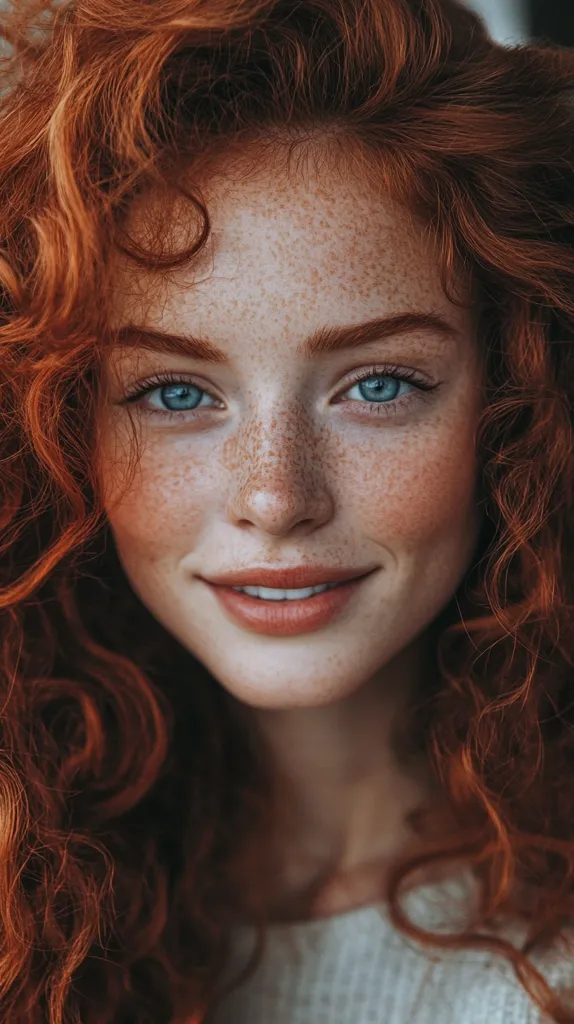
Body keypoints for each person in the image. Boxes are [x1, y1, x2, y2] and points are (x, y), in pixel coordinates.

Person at [0, 0, 573, 1020]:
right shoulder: (27, 906)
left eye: (379, 385)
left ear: (517, 398)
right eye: (174, 393)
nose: (275, 499)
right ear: (59, 430)